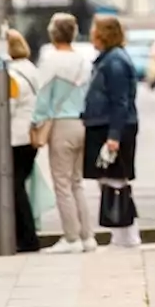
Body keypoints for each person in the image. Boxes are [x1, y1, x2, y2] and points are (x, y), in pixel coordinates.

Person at [33, 13, 96, 255]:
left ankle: (71, 238)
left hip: (61, 125)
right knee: (76, 183)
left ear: (53, 33)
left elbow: (43, 98)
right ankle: (87, 236)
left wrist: (36, 123)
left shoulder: (51, 61)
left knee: (62, 184)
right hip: (81, 124)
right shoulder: (82, 61)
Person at [82, 15, 141, 248]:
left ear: (104, 34)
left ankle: (125, 234)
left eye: (95, 32)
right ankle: (124, 232)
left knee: (115, 180)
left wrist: (114, 136)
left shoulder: (114, 62)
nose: (92, 36)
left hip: (112, 126)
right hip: (106, 125)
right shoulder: (109, 59)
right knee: (113, 179)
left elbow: (120, 101)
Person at [0, 29, 41, 253]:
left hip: (14, 138)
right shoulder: (32, 69)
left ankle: (27, 238)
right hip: (30, 137)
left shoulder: (10, 75)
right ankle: (24, 237)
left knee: (13, 189)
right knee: (18, 186)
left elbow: (6, 109)